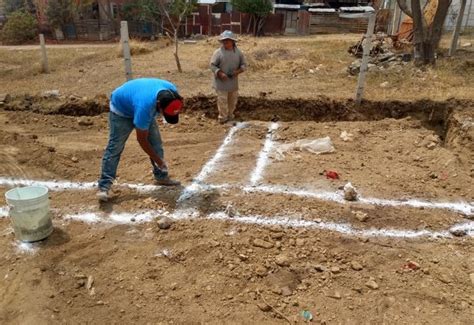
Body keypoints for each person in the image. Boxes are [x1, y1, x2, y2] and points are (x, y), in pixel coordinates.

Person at [97, 78, 183, 202]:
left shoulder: (172, 92)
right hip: (121, 110)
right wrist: (159, 161)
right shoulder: (145, 107)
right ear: (159, 105)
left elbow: (180, 102)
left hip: (139, 101)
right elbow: (142, 140)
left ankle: (161, 177)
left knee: (156, 143)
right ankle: (104, 186)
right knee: (115, 146)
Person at [210, 30, 247, 124]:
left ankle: (230, 116)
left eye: (227, 40)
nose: (225, 42)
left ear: (233, 41)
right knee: (222, 101)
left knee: (232, 101)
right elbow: (212, 65)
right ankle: (223, 118)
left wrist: (237, 72)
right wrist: (220, 73)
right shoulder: (218, 52)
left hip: (233, 82)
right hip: (221, 83)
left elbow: (244, 65)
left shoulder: (239, 53)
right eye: (224, 40)